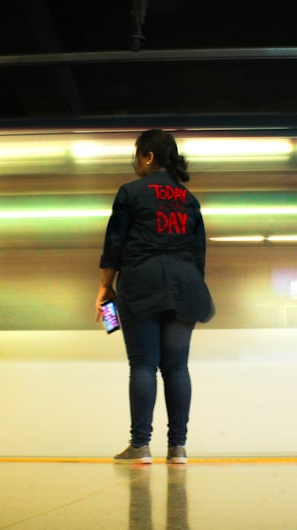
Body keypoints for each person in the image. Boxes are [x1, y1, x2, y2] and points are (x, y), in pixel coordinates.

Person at [96, 129, 214, 465]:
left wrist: (106, 287)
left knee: (143, 364)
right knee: (176, 365)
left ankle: (141, 446)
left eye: (137, 156)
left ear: (147, 156)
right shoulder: (189, 200)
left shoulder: (131, 192)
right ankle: (178, 448)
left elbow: (114, 244)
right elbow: (199, 253)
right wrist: (189, 289)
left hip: (141, 283)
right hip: (185, 286)